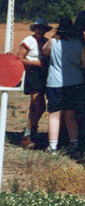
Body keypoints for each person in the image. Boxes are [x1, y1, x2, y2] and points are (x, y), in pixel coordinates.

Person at [41, 17, 85, 153]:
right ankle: (74, 145)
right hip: (74, 82)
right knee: (70, 116)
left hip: (54, 83)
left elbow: (44, 51)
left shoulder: (53, 42)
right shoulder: (78, 43)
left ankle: (52, 147)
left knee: (54, 115)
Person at [18, 18, 52, 149]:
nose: (41, 31)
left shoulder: (46, 41)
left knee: (34, 107)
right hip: (33, 74)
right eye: (39, 28)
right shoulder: (28, 41)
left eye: (43, 28)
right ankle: (27, 135)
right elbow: (19, 58)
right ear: (34, 28)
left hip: (43, 74)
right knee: (39, 107)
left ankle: (30, 134)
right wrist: (36, 63)